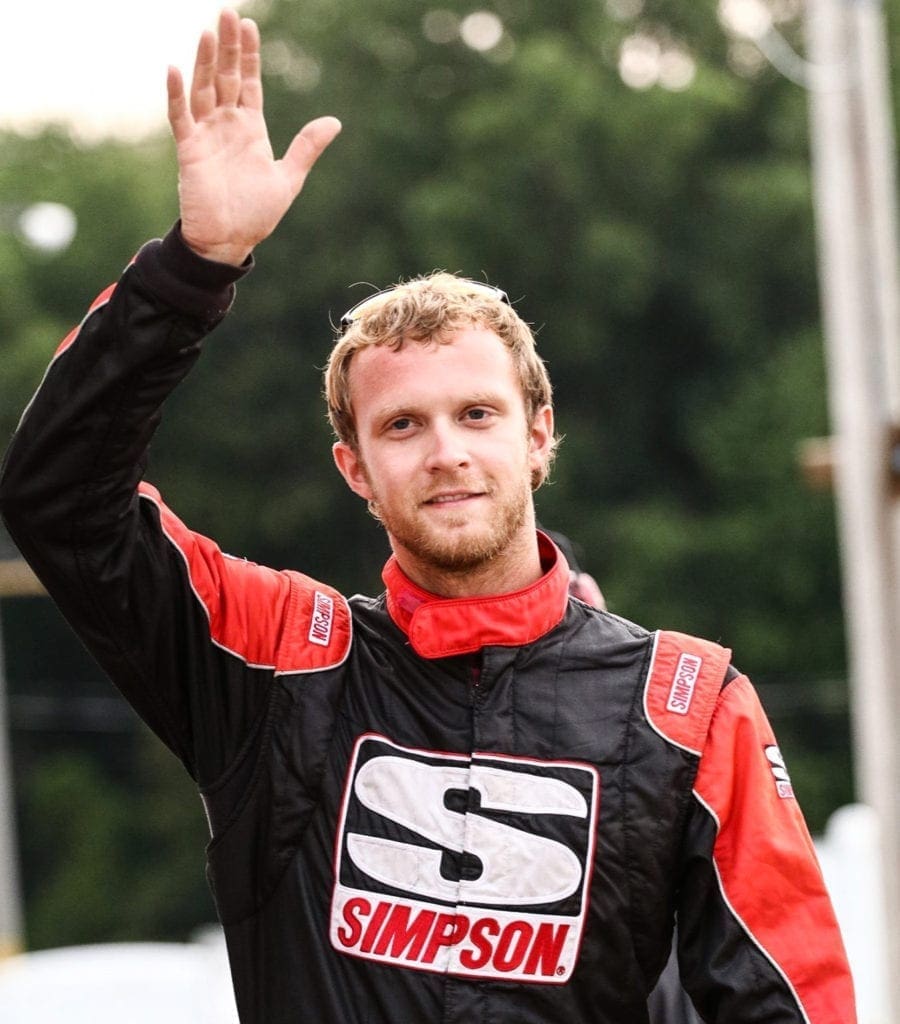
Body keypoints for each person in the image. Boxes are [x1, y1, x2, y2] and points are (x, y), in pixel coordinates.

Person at [0, 10, 856, 1024]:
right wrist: (194, 266)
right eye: (403, 424)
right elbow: (58, 496)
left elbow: (792, 1002)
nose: (446, 449)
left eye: (477, 414)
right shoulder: (274, 663)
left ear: (539, 435)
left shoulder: (687, 705)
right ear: (353, 468)